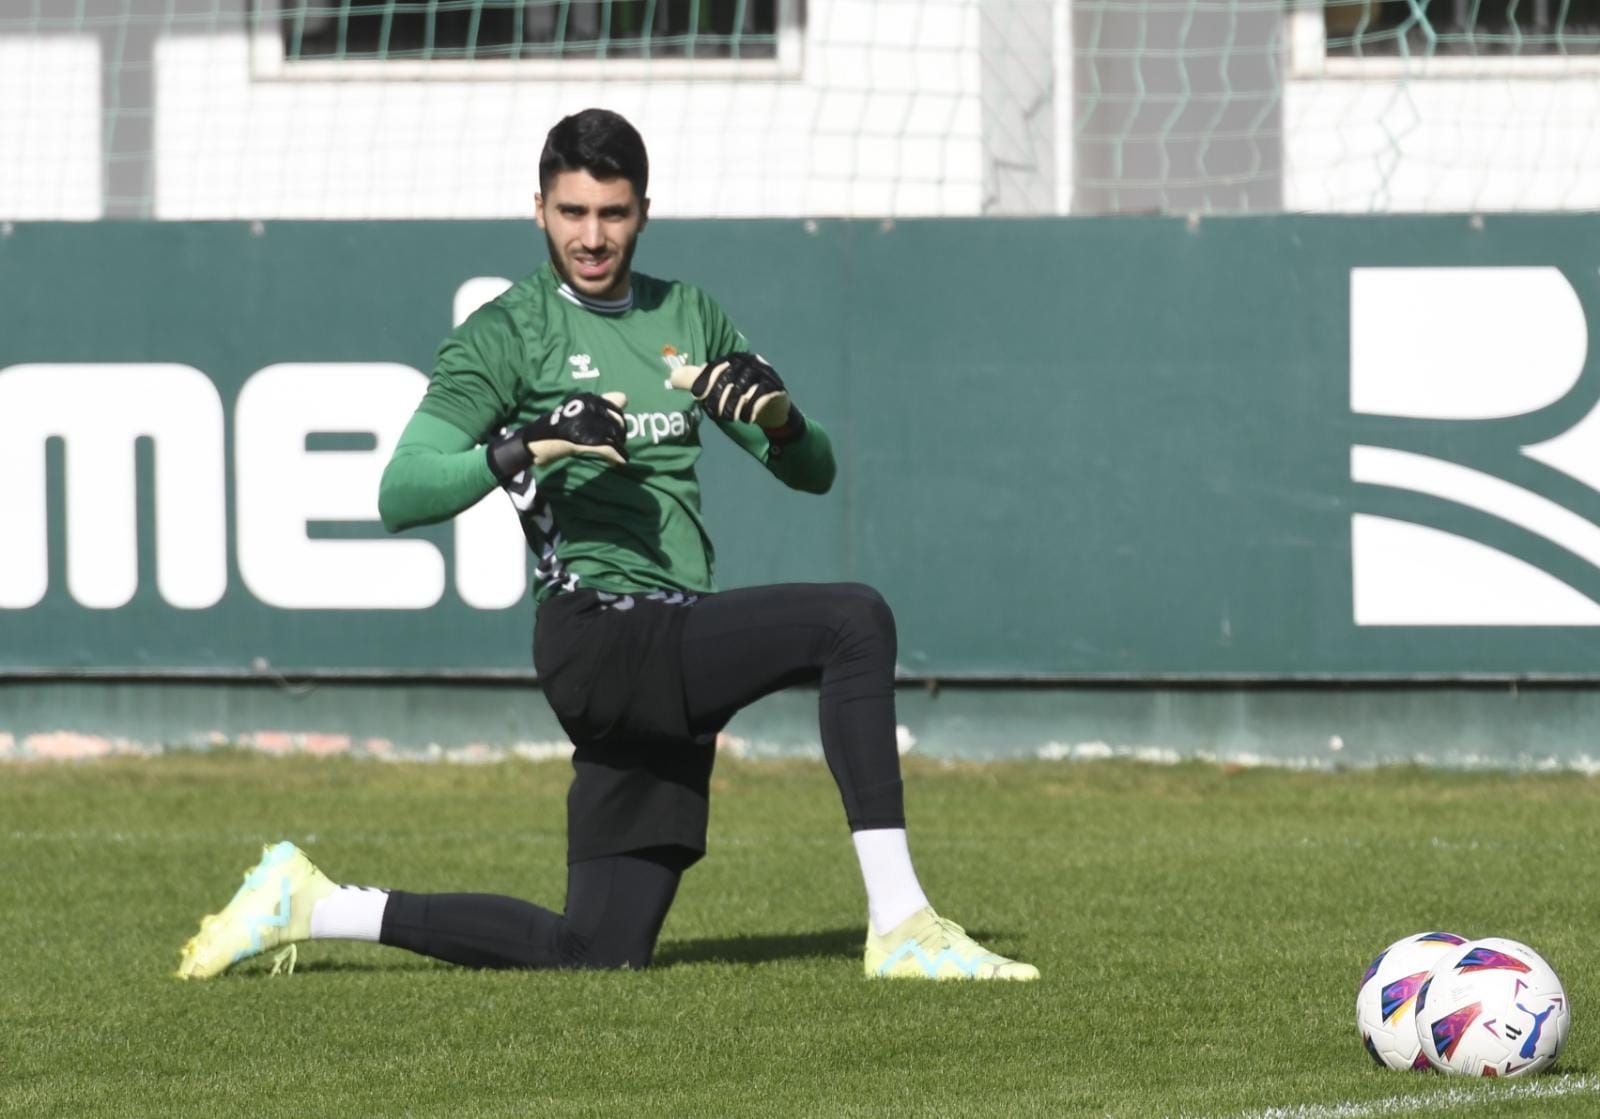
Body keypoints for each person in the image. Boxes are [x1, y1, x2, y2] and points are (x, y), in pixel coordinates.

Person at [175, 108, 1037, 982]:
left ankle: (311, 902)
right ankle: (903, 924)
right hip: (598, 634)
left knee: (596, 950)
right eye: (572, 212)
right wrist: (532, 442)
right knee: (853, 621)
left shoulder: (687, 313)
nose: (592, 236)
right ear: (539, 210)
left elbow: (813, 471)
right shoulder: (508, 333)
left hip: (669, 640)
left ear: (643, 212)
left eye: (613, 213)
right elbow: (401, 491)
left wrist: (781, 419)